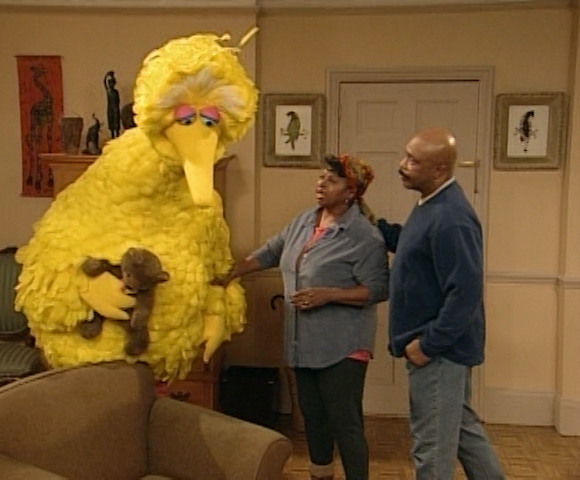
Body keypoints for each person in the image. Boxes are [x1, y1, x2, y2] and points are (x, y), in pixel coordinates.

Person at [215, 154, 389, 480]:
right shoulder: (305, 221)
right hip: (303, 343)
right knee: (314, 419)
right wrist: (233, 271)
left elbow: (378, 289)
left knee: (344, 422)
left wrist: (329, 294)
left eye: (332, 180)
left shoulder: (364, 235)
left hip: (343, 347)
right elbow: (272, 251)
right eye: (321, 177)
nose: (321, 184)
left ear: (350, 192)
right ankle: (320, 475)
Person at [383, 127, 504, 479]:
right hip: (439, 349)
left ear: (439, 170)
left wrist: (429, 344)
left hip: (439, 352)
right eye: (405, 155)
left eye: (413, 161)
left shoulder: (451, 217)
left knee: (432, 449)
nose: (402, 164)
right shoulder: (431, 204)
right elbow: (415, 245)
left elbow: (465, 293)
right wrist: (377, 227)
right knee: (463, 430)